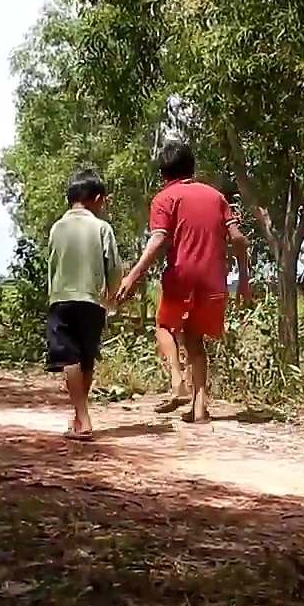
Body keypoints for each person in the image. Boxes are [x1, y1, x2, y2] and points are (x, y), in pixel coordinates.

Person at [115, 139, 251, 423]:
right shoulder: (216, 197)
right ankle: (199, 408)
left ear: (164, 174)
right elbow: (238, 238)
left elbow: (159, 239)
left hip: (182, 276)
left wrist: (134, 274)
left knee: (164, 326)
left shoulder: (165, 198)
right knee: (194, 337)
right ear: (193, 167)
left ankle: (178, 381)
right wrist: (245, 279)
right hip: (215, 281)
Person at [46, 168, 122, 441]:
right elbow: (113, 266)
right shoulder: (102, 228)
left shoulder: (57, 228)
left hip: (62, 297)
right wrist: (111, 296)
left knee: (69, 357)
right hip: (92, 300)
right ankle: (80, 416)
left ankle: (82, 418)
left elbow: (52, 264)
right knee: (85, 358)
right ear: (97, 198)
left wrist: (52, 294)